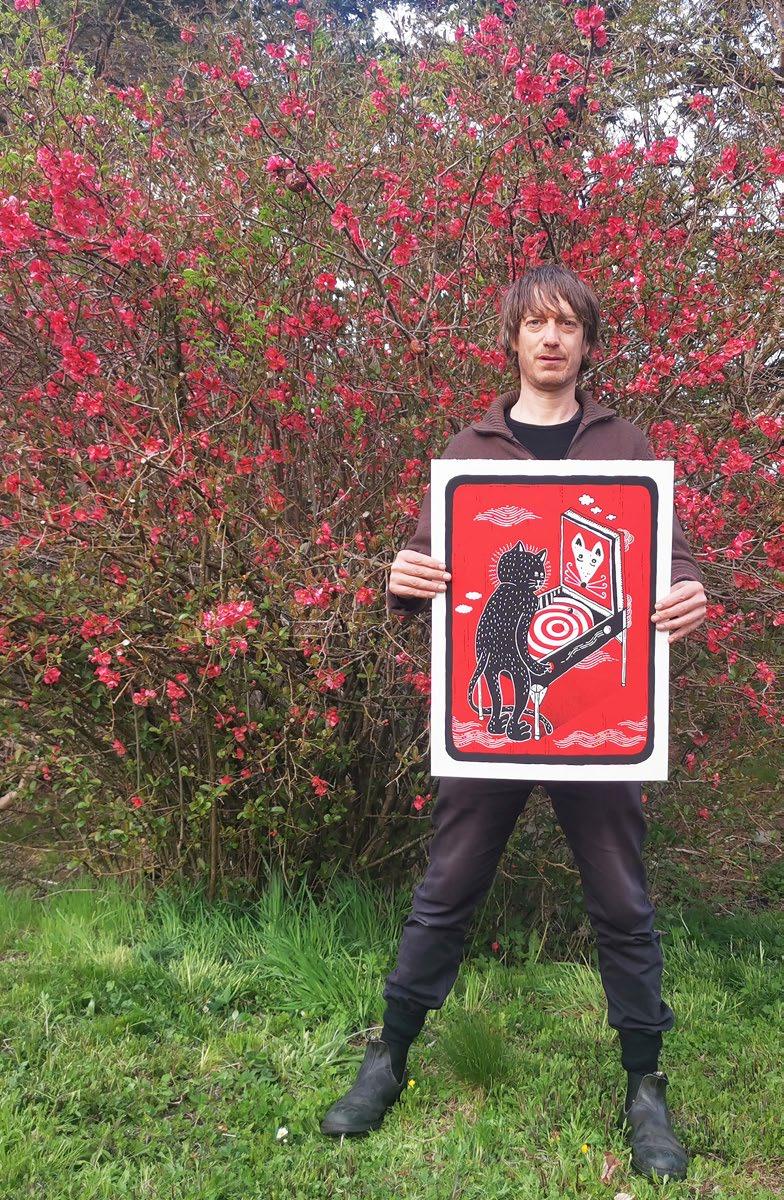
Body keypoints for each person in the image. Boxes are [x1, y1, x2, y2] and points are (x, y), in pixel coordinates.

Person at [320, 265, 707, 1182]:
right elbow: (428, 564)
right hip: (486, 724)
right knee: (447, 887)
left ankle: (645, 1085)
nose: (551, 338)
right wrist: (402, 578)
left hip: (597, 717)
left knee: (623, 902)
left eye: (567, 324)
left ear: (587, 344)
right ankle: (389, 1056)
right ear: (514, 340)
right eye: (536, 324)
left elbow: (670, 558)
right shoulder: (470, 448)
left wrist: (688, 590)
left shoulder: (625, 444)